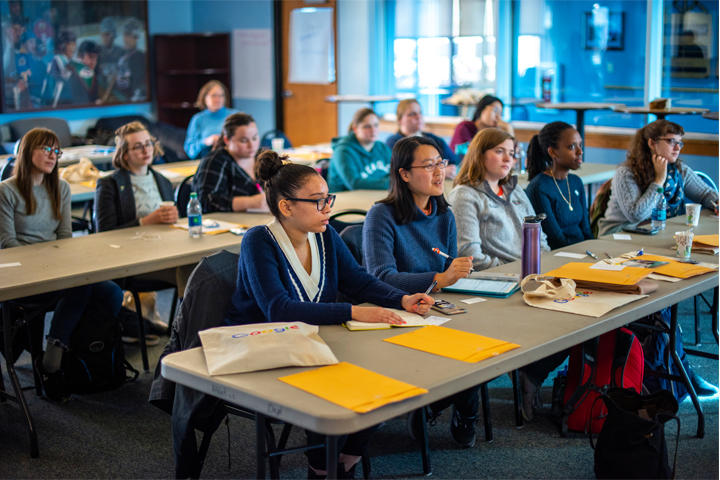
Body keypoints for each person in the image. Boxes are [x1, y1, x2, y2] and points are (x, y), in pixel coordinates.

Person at [225, 149, 434, 477]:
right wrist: (352, 312)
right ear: (286, 206)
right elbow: (278, 309)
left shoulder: (323, 236)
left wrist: (402, 298)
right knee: (331, 394)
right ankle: (323, 468)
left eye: (328, 198)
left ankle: (340, 463)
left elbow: (359, 281)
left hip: (316, 343)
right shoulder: (259, 241)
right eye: (318, 201)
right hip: (266, 351)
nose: (328, 209)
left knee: (386, 384)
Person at [363, 136, 479, 448]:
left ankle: (436, 404)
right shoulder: (381, 215)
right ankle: (460, 409)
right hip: (396, 311)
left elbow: (450, 273)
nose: (439, 172)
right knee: (466, 346)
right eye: (428, 166)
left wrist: (450, 277)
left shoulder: (444, 214)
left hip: (436, 306)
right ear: (403, 174)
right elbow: (379, 276)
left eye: (441, 163)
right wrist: (440, 278)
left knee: (490, 341)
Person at [0, 128, 123, 403]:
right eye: (46, 149)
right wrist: (50, 266)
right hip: (24, 276)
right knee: (78, 289)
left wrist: (65, 263)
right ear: (26, 151)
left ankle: (76, 350)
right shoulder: (5, 191)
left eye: (56, 151)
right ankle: (51, 364)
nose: (53, 156)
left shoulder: (61, 187)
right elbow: (8, 245)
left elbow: (65, 238)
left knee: (112, 292)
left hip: (57, 271)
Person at [449, 128, 550, 271]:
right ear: (479, 154)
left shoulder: (515, 190)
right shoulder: (464, 196)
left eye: (511, 153)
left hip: (533, 270)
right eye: (499, 151)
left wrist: (541, 262)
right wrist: (517, 269)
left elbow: (539, 237)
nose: (508, 159)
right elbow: (470, 256)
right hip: (500, 278)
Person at [598, 119, 718, 236]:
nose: (678, 148)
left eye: (679, 142)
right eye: (671, 141)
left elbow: (705, 193)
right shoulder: (626, 172)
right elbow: (636, 215)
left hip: (657, 232)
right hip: (620, 233)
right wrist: (659, 180)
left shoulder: (678, 169)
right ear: (652, 143)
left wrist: (717, 202)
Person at [525, 121, 593, 249]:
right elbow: (555, 239)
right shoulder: (539, 188)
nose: (580, 151)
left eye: (580, 145)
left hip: (584, 253)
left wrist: (594, 249)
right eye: (572, 147)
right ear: (553, 152)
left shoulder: (575, 182)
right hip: (560, 256)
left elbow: (586, 230)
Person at [192, 112, 266, 213]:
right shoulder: (215, 161)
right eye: (244, 141)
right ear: (227, 140)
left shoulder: (261, 157)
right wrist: (250, 202)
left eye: (255, 138)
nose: (251, 145)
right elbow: (205, 202)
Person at [385, 99, 457, 176]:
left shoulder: (435, 140)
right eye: (412, 114)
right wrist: (441, 171)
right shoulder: (394, 143)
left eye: (420, 113)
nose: (418, 116)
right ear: (400, 120)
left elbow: (452, 163)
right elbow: (402, 171)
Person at [327, 108, 392, 193]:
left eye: (376, 125)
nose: (373, 130)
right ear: (355, 129)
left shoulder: (382, 147)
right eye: (367, 127)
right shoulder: (343, 151)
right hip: (346, 200)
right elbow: (354, 184)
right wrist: (391, 183)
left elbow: (395, 173)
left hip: (376, 196)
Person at [183, 80, 239, 159]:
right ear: (205, 98)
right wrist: (206, 141)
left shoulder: (235, 115)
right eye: (214, 96)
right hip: (206, 160)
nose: (218, 99)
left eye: (221, 95)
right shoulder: (198, 119)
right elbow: (190, 150)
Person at [449, 95, 515, 155]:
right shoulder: (465, 127)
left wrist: (509, 130)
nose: (498, 117)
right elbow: (463, 154)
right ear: (482, 109)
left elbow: (512, 155)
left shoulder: (494, 134)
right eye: (495, 110)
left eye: (500, 113)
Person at [115, 17, 146, 102]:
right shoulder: (121, 56)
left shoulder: (141, 57)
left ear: (136, 38)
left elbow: (139, 85)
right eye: (125, 35)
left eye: (129, 35)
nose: (126, 38)